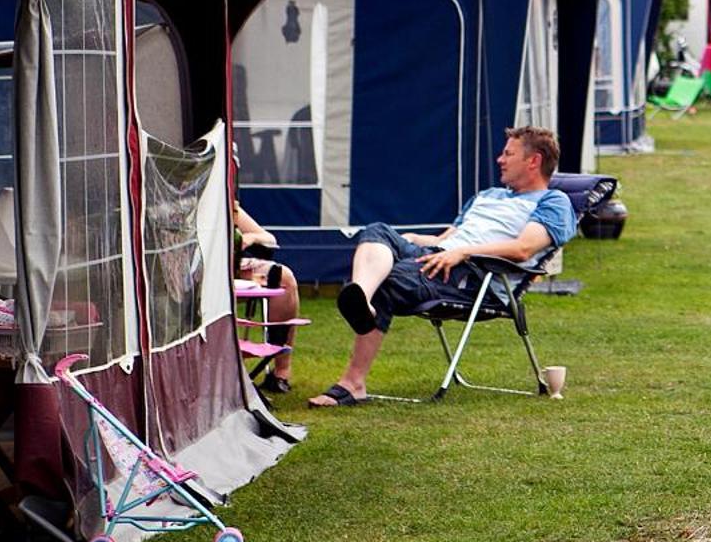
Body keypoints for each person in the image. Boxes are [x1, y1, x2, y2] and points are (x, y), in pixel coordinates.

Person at [308, 126, 575, 408]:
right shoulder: (488, 196)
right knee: (378, 231)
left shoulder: (553, 202)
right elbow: (445, 239)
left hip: (472, 277)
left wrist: (463, 252)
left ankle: (352, 383)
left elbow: (523, 248)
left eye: (508, 153)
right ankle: (361, 297)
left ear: (534, 160)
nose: (500, 159)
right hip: (440, 256)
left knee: (389, 280)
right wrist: (407, 240)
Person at [234, 203, 300, 393]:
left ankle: (281, 372)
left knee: (283, 277)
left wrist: (251, 237)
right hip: (193, 270)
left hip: (234, 269)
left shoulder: (224, 201)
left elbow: (269, 239)